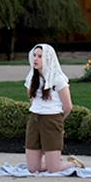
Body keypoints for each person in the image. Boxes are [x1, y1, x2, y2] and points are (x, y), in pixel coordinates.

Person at [24, 43, 76, 173]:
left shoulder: (58, 79)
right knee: (33, 169)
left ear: (48, 58)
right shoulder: (31, 77)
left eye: (40, 56)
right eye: (34, 55)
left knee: (54, 169)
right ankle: (49, 161)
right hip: (34, 119)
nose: (35, 59)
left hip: (52, 119)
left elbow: (68, 105)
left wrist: (58, 121)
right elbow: (31, 98)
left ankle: (72, 164)